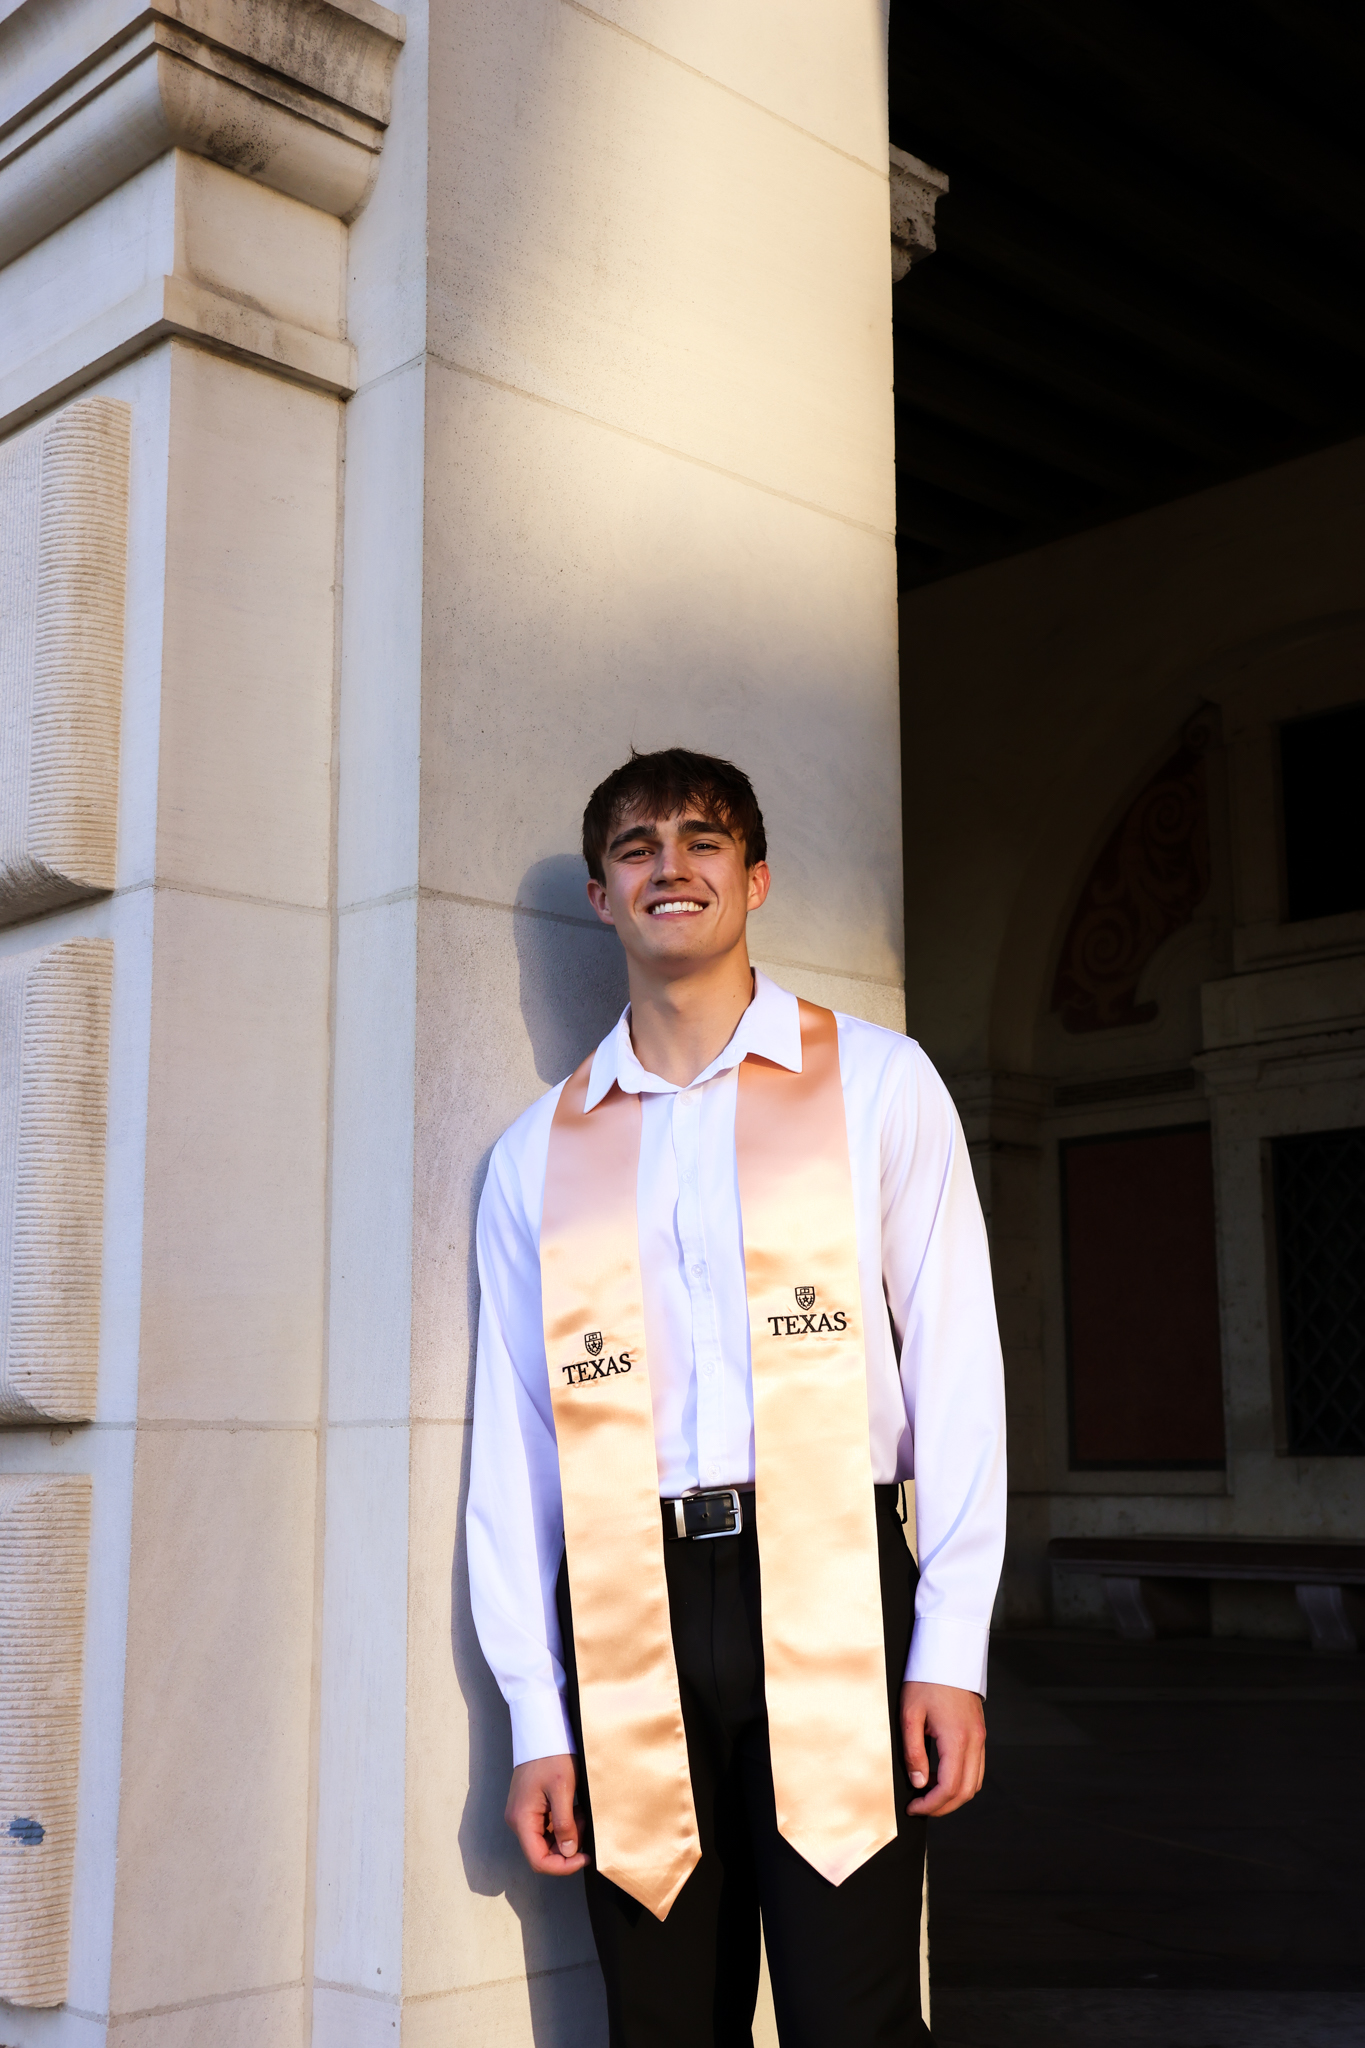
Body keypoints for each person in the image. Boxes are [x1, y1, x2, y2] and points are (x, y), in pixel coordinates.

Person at [467, 747, 1006, 2048]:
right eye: (637, 848)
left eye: (703, 841)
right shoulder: (538, 1153)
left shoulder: (877, 1084)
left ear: (753, 878)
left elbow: (955, 1363)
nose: (672, 867)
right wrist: (536, 1715)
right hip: (624, 1609)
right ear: (601, 896)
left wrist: (949, 1645)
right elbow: (518, 1443)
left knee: (852, 2012)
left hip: (828, 1586)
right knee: (660, 2021)